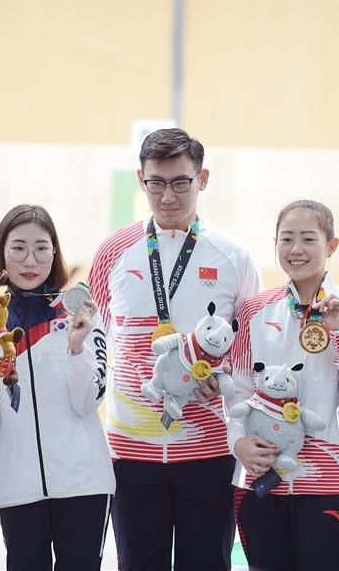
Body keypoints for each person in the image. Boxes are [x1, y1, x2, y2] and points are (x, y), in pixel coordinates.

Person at [88, 128, 262, 570]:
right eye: (156, 182)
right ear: (141, 181)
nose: (168, 195)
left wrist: (221, 387)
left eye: (180, 181)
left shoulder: (233, 257)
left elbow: (249, 353)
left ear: (202, 179)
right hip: (130, 450)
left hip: (208, 450)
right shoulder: (113, 252)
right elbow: (102, 339)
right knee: (138, 563)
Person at [0, 204, 114, 571]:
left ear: (55, 252)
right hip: (19, 489)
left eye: (42, 248)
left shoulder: (78, 311)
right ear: (2, 253)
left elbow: (88, 401)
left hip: (84, 485)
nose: (31, 259)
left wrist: (76, 348)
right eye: (19, 248)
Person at [227, 199, 339, 571]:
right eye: (286, 239)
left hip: (327, 478)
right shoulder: (254, 310)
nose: (296, 250)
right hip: (259, 476)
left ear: (332, 246)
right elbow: (240, 388)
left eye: (308, 239)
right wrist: (238, 443)